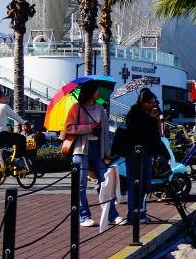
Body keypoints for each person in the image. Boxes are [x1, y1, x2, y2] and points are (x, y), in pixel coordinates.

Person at [63, 86, 113, 227]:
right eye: (96, 90)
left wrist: (107, 153)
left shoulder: (100, 108)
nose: (99, 92)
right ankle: (84, 216)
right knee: (80, 185)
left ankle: (112, 214)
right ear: (90, 92)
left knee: (105, 182)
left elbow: (105, 132)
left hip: (98, 148)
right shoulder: (76, 108)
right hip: (80, 149)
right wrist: (89, 128)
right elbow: (68, 128)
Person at [121, 88, 166, 224]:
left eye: (154, 102)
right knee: (135, 184)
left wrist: (157, 120)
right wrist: (150, 119)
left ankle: (141, 212)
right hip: (134, 153)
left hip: (147, 153)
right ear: (143, 102)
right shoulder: (134, 113)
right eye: (150, 102)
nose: (153, 105)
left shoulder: (150, 114)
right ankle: (133, 214)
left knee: (145, 184)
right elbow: (136, 131)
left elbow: (154, 135)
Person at [0, 88, 25, 164]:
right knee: (22, 138)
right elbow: (16, 117)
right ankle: (17, 160)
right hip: (0, 135)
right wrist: (24, 123)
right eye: (4, 96)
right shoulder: (4, 106)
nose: (5, 98)